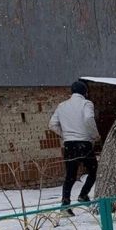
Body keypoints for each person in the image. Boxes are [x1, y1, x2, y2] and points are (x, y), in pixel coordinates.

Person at [49, 80, 101, 215]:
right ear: (85, 92)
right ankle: (83, 195)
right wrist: (95, 135)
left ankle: (65, 205)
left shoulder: (62, 106)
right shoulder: (86, 103)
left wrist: (66, 135)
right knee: (94, 170)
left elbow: (52, 125)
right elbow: (89, 119)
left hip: (69, 145)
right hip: (84, 143)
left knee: (70, 176)